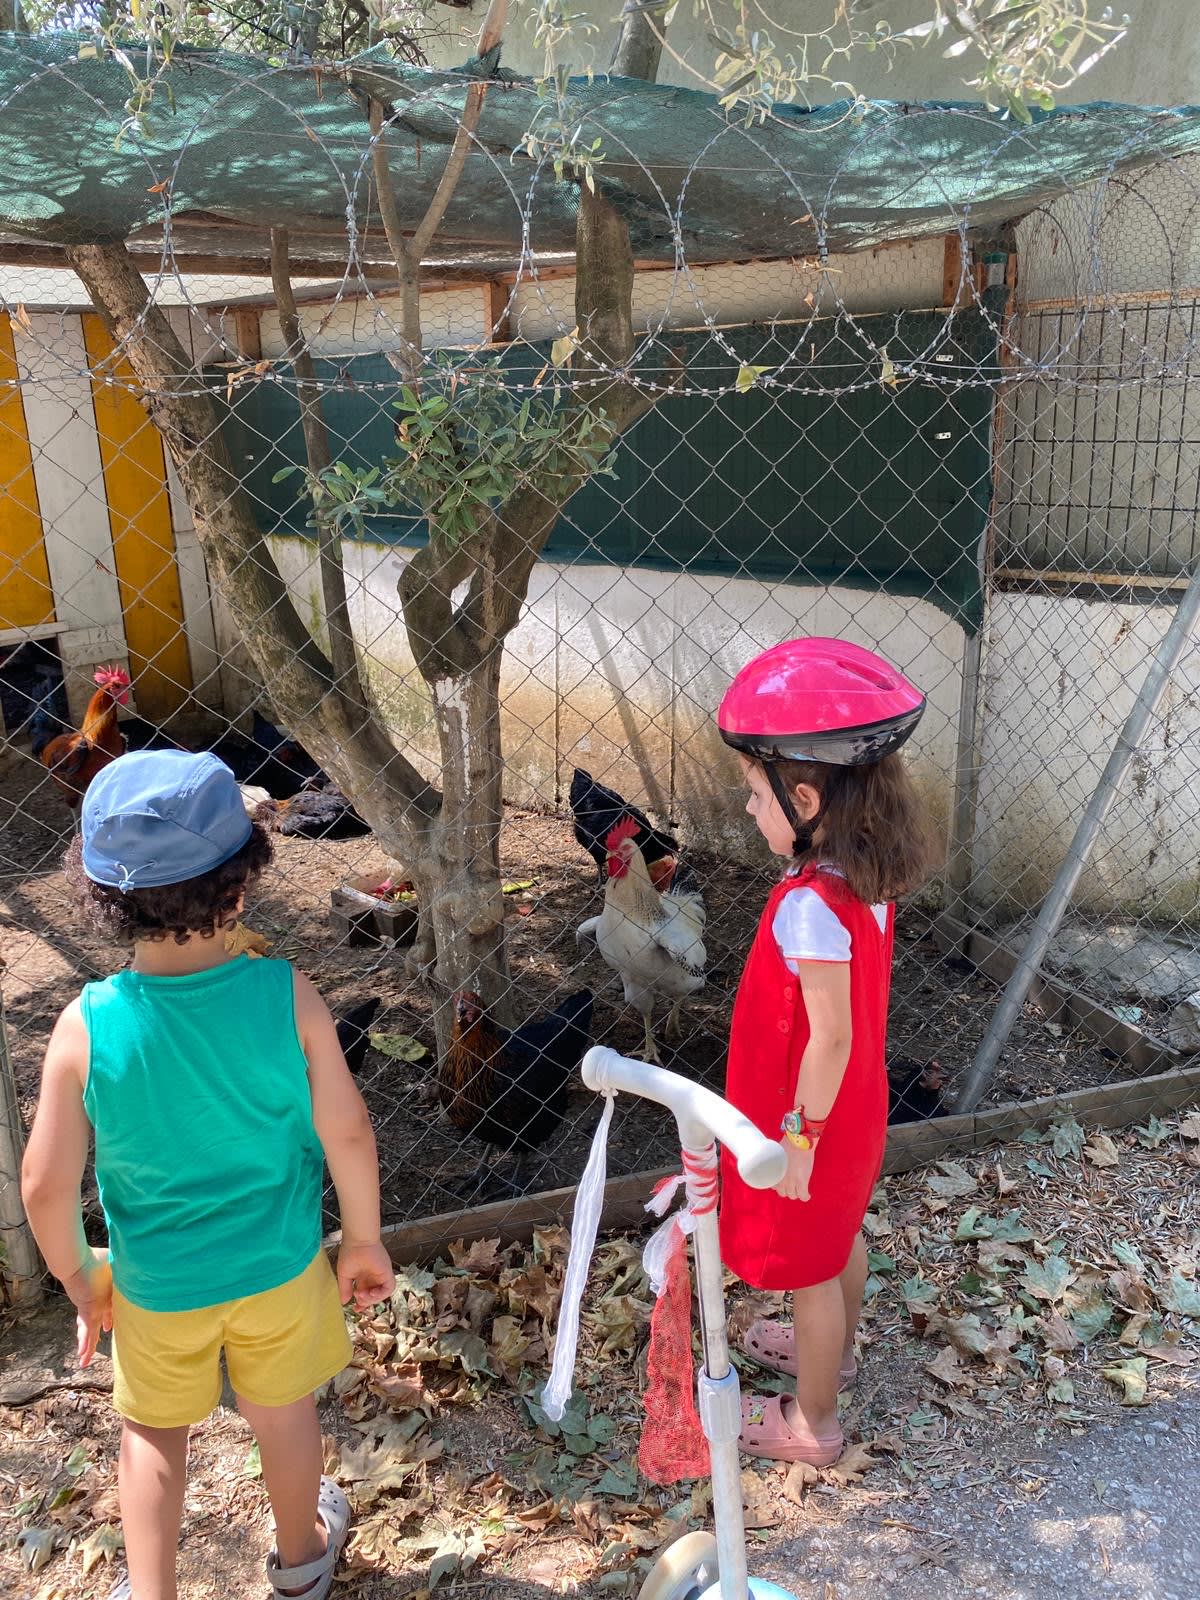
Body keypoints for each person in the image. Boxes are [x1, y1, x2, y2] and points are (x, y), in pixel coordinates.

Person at [21, 750, 395, 1600]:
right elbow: (348, 1130)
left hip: (155, 1286)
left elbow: (43, 1184)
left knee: (153, 1433)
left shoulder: (86, 1024)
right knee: (283, 1412)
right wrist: (363, 1240)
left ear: (102, 898)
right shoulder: (287, 994)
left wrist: (80, 1278)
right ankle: (302, 1560)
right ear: (241, 887)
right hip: (280, 1268)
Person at [715, 638, 934, 1465]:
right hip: (854, 1103)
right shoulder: (864, 877)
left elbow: (829, 1033)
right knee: (840, 1235)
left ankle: (813, 1425)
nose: (749, 809)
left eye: (754, 793)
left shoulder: (810, 906)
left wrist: (797, 1138)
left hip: (812, 1114)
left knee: (810, 1267)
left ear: (804, 798)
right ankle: (833, 1353)